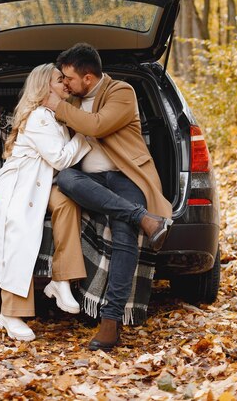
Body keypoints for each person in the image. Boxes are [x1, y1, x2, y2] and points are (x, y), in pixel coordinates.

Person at [45, 43, 173, 351]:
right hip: (88, 179)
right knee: (66, 179)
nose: (65, 84)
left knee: (124, 232)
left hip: (126, 176)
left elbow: (97, 125)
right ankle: (142, 218)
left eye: (69, 78)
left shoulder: (122, 92)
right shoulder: (73, 97)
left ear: (87, 78)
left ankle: (111, 320)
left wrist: (58, 107)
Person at [0, 63, 91, 342]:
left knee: (68, 205)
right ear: (45, 86)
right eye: (60, 80)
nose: (66, 85)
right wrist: (86, 134)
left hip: (45, 182)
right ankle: (11, 313)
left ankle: (62, 280)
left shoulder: (56, 116)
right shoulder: (38, 117)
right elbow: (59, 158)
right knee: (18, 233)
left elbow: (59, 161)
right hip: (23, 183)